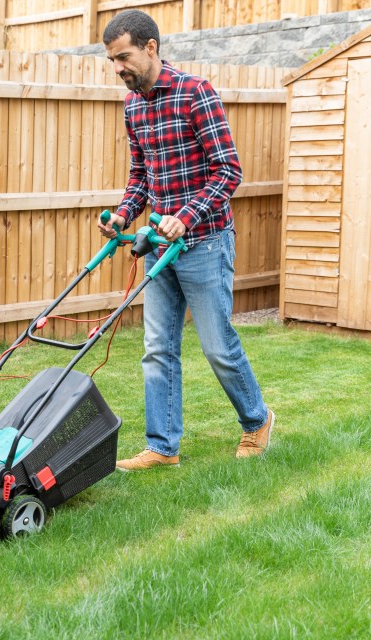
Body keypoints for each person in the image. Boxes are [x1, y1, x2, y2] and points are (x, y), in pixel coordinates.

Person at [98, 10, 274, 469]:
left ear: (151, 47)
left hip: (206, 242)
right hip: (158, 243)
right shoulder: (132, 105)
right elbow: (142, 174)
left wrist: (187, 216)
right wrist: (122, 214)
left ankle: (257, 420)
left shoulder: (196, 93)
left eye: (124, 57)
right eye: (112, 60)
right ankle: (162, 447)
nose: (118, 68)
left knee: (217, 345)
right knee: (157, 348)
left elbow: (228, 170)